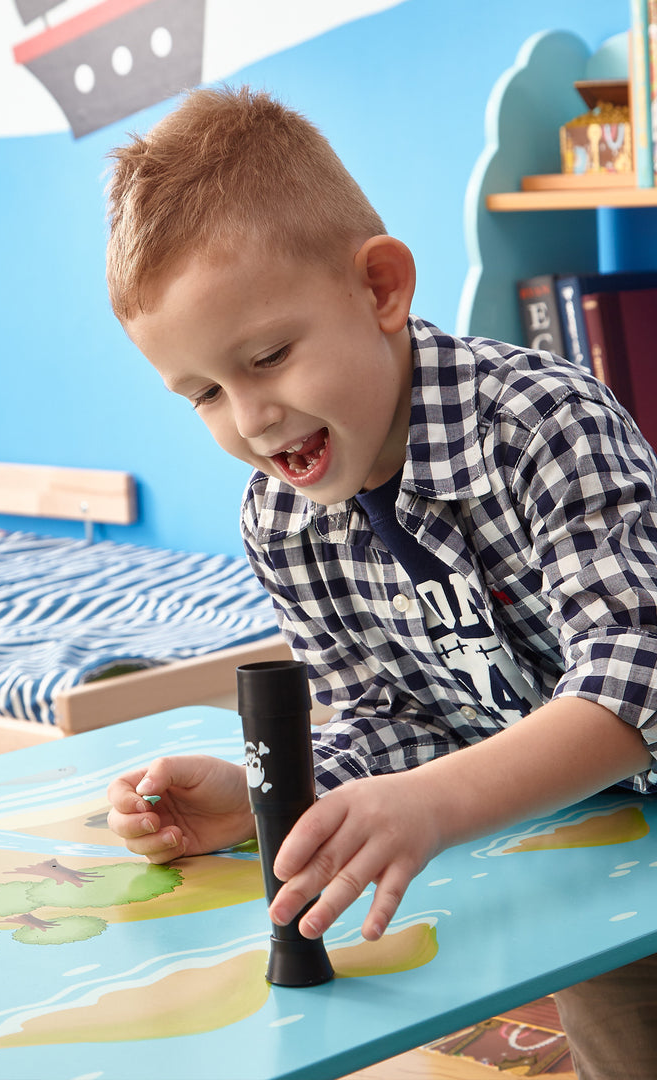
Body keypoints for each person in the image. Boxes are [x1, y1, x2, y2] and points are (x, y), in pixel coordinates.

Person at [103, 84, 657, 1079]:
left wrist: (434, 805)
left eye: (268, 357)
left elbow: (639, 677)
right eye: (203, 395)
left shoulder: (541, 421)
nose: (251, 420)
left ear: (381, 289)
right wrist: (276, 797)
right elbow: (392, 712)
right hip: (598, 861)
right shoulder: (281, 516)